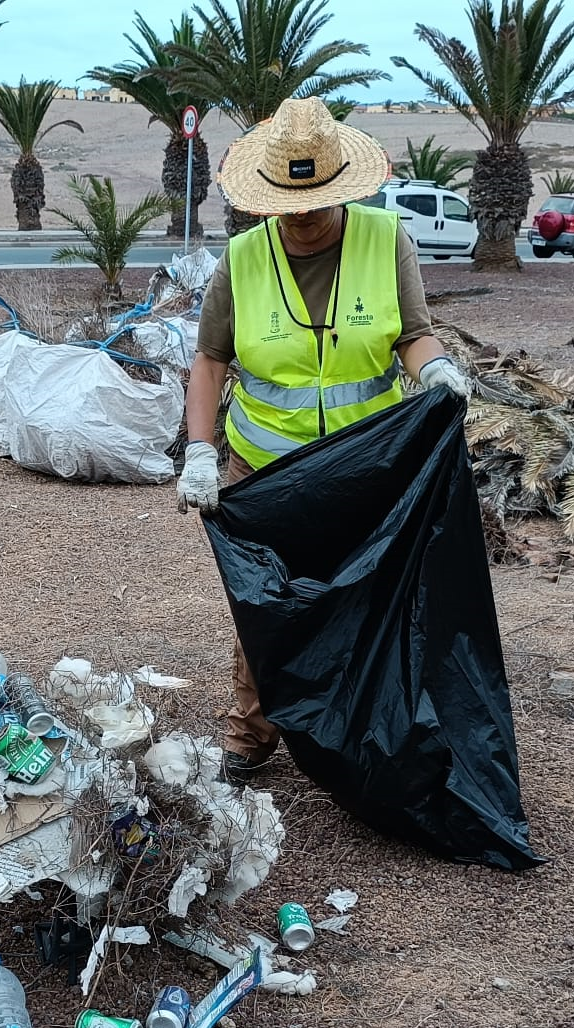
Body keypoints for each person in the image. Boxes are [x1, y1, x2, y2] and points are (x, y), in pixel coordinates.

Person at [175, 97, 473, 784]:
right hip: (267, 469)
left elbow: (411, 331)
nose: (302, 218)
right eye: (288, 205)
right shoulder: (242, 258)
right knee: (268, 602)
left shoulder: (384, 238)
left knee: (367, 595)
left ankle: (363, 725)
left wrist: (434, 368)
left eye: (315, 202)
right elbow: (211, 359)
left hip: (365, 466)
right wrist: (200, 451)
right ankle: (250, 733)